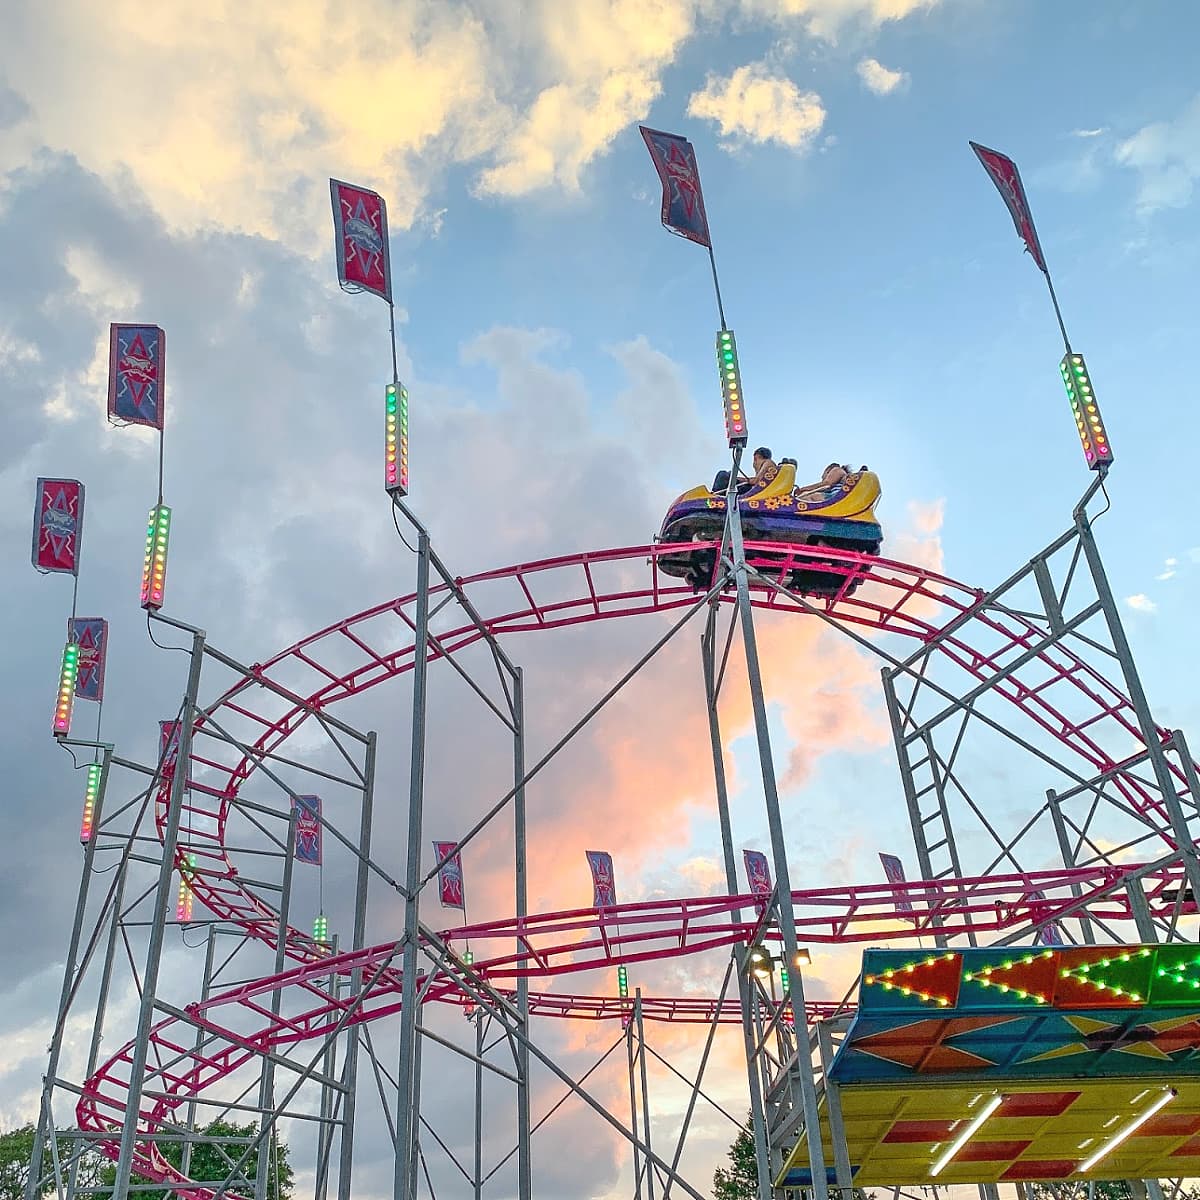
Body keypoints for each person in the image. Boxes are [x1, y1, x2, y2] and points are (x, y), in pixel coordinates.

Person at [712, 447, 778, 495]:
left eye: (754, 460)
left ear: (757, 457)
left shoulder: (768, 462)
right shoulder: (767, 464)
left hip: (755, 491)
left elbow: (756, 481)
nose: (754, 464)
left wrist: (736, 479)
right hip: (755, 489)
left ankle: (715, 496)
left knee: (723, 474)